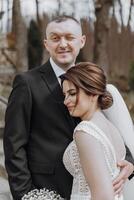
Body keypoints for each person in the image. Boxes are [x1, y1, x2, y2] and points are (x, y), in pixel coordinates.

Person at [3, 15, 134, 200]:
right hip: (46, 190)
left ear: (82, 41)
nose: (62, 44)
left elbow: (109, 129)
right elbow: (13, 145)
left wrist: (129, 161)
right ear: (46, 44)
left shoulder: (94, 82)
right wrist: (26, 195)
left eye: (69, 37)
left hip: (93, 189)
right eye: (55, 38)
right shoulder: (27, 84)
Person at [61, 62, 133, 200]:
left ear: (93, 93)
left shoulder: (85, 131)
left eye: (72, 93)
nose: (66, 101)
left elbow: (103, 196)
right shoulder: (112, 128)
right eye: (65, 95)